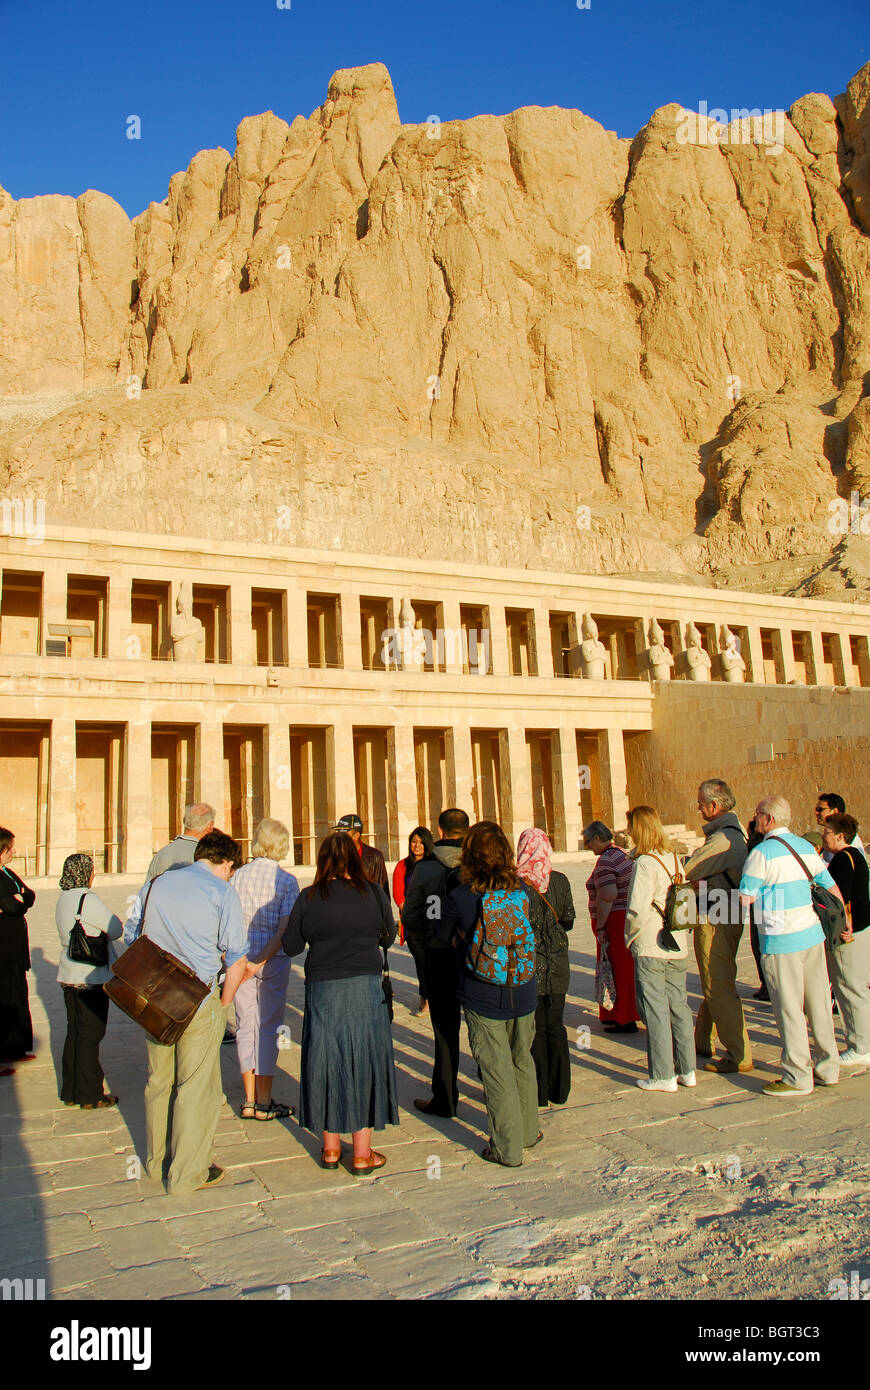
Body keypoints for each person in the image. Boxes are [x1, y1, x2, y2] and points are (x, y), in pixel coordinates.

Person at [248, 831, 398, 1174]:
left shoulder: (310, 897)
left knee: (326, 1060)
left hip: (324, 988)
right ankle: (362, 1153)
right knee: (364, 1060)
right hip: (365, 985)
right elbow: (389, 936)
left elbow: (292, 946)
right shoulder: (373, 893)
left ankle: (330, 1149)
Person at [124, 830, 248, 1192]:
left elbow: (133, 935)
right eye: (231, 868)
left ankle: (155, 1161)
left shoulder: (157, 884)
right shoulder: (222, 892)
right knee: (196, 1088)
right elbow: (237, 958)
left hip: (157, 995)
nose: (230, 874)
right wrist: (222, 1006)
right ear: (225, 863)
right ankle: (187, 1173)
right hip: (199, 996)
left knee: (159, 1081)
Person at [439, 821, 539, 1166]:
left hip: (482, 993)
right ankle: (528, 1133)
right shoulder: (523, 890)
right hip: (523, 989)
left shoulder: (462, 895)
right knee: (522, 1060)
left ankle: (507, 1148)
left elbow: (441, 936)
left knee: (496, 1069)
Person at [738, 795, 842, 1097]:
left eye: (758, 814)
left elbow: (746, 898)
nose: (755, 819)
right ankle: (828, 1068)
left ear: (769, 819)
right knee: (820, 1005)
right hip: (811, 935)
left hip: (781, 939)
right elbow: (829, 885)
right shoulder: (805, 847)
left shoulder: (761, 854)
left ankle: (797, 1075)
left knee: (790, 1009)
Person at [402, 808, 470, 1117]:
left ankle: (445, 1097)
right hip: (476, 955)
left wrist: (424, 942)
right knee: (486, 1025)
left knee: (445, 1029)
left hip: (439, 955)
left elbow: (411, 913)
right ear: (466, 831)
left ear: (440, 831)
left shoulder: (428, 868)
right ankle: (493, 1084)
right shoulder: (478, 861)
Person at [624, 806, 696, 1092]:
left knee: (654, 1009)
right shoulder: (674, 860)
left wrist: (630, 939)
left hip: (652, 944)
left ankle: (663, 1074)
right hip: (677, 943)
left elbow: (636, 909)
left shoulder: (644, 863)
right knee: (679, 1006)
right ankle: (687, 1069)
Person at [231, 819, 299, 1120]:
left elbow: (229, 923)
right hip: (272, 961)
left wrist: (243, 962)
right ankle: (264, 1099)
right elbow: (285, 929)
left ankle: (247, 1099)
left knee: (245, 1026)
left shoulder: (236, 877)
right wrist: (260, 961)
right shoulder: (286, 881)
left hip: (240, 962)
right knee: (268, 1028)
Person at [683, 779, 752, 1074]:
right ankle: (702, 1039)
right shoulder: (735, 833)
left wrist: (695, 877)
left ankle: (739, 1054)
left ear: (714, 805)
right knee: (718, 978)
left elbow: (686, 870)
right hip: (728, 912)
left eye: (701, 802)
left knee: (717, 983)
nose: (698, 807)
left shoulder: (723, 839)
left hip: (717, 917)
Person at [55, 854, 124, 1108]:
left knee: (74, 1032)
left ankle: (71, 1090)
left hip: (67, 975)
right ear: (86, 873)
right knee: (91, 1034)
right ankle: (90, 1094)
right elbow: (115, 929)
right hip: (90, 976)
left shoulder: (63, 897)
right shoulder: (86, 898)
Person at [516, 828, 575, 1107]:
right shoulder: (560, 881)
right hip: (557, 963)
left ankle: (537, 1092)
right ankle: (559, 1088)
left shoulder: (517, 886)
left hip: (530, 965)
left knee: (536, 1029)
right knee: (556, 1025)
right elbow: (568, 920)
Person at [820, 811, 870, 1066]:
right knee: (855, 989)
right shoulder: (857, 856)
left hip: (848, 934)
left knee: (850, 990)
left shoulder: (842, 859)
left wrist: (844, 927)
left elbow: (840, 899)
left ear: (839, 835)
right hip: (859, 930)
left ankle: (860, 1047)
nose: (823, 834)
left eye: (827, 831)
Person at [583, 821, 637, 1033]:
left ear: (597, 838)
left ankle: (623, 1018)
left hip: (613, 921)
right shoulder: (622, 853)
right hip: (625, 918)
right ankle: (614, 1013)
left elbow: (608, 895)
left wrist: (601, 925)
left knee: (615, 969)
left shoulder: (606, 860)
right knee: (621, 969)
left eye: (588, 842)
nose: (588, 847)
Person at [0, 829, 36, 1074]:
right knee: (3, 999)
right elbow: (11, 904)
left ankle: (15, 1047)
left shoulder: (7, 873)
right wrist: (17, 900)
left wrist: (20, 898)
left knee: (17, 994)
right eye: (9, 848)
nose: (13, 851)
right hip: (3, 946)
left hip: (14, 945)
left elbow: (29, 896)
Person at [392, 826, 435, 1014]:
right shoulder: (403, 865)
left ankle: (426, 998)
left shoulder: (433, 864)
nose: (417, 845)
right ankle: (425, 997)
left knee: (429, 961)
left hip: (431, 922)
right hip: (412, 924)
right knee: (421, 961)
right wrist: (408, 911)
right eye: (414, 841)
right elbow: (398, 893)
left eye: (420, 842)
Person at [146, 803, 216, 881]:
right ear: (210, 826)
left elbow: (147, 890)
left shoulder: (161, 854)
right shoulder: (207, 857)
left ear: (184, 821)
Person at [332, 814, 390, 896]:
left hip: (367, 906)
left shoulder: (375, 856)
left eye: (344, 834)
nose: (339, 837)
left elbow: (382, 891)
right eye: (338, 833)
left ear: (356, 835)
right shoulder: (333, 855)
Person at [814, 794, 867, 863]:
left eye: (820, 809)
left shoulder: (848, 838)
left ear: (835, 811)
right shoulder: (831, 836)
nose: (816, 813)